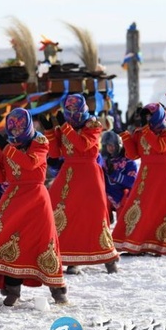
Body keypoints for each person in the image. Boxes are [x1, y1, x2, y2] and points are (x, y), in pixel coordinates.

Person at [0, 108, 67, 307]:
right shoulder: (7, 144)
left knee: (43, 242)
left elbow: (30, 163)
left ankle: (57, 290)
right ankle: (12, 288)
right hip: (13, 196)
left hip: (36, 197)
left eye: (18, 128)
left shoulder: (40, 141)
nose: (15, 132)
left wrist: (6, 148)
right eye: (12, 128)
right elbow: (1, 177)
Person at [39, 94, 119, 274]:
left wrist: (65, 127)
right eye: (70, 110)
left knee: (94, 216)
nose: (73, 113)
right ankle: (70, 257)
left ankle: (108, 258)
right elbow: (54, 152)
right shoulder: (65, 126)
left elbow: (83, 145)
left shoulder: (94, 125)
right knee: (60, 210)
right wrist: (50, 131)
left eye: (76, 110)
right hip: (68, 173)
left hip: (89, 173)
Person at [112, 103, 166, 255]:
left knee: (164, 209)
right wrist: (124, 135)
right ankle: (139, 242)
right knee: (143, 207)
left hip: (165, 175)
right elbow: (133, 155)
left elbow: (160, 146)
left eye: (150, 116)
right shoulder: (141, 132)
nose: (147, 119)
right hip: (146, 174)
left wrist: (146, 130)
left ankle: (162, 243)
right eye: (145, 116)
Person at [100, 130, 138, 224]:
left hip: (124, 195)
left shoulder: (129, 161)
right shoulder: (104, 161)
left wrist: (115, 174)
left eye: (113, 145)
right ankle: (106, 224)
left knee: (123, 223)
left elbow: (132, 182)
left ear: (119, 145)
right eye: (108, 145)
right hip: (109, 195)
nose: (110, 148)